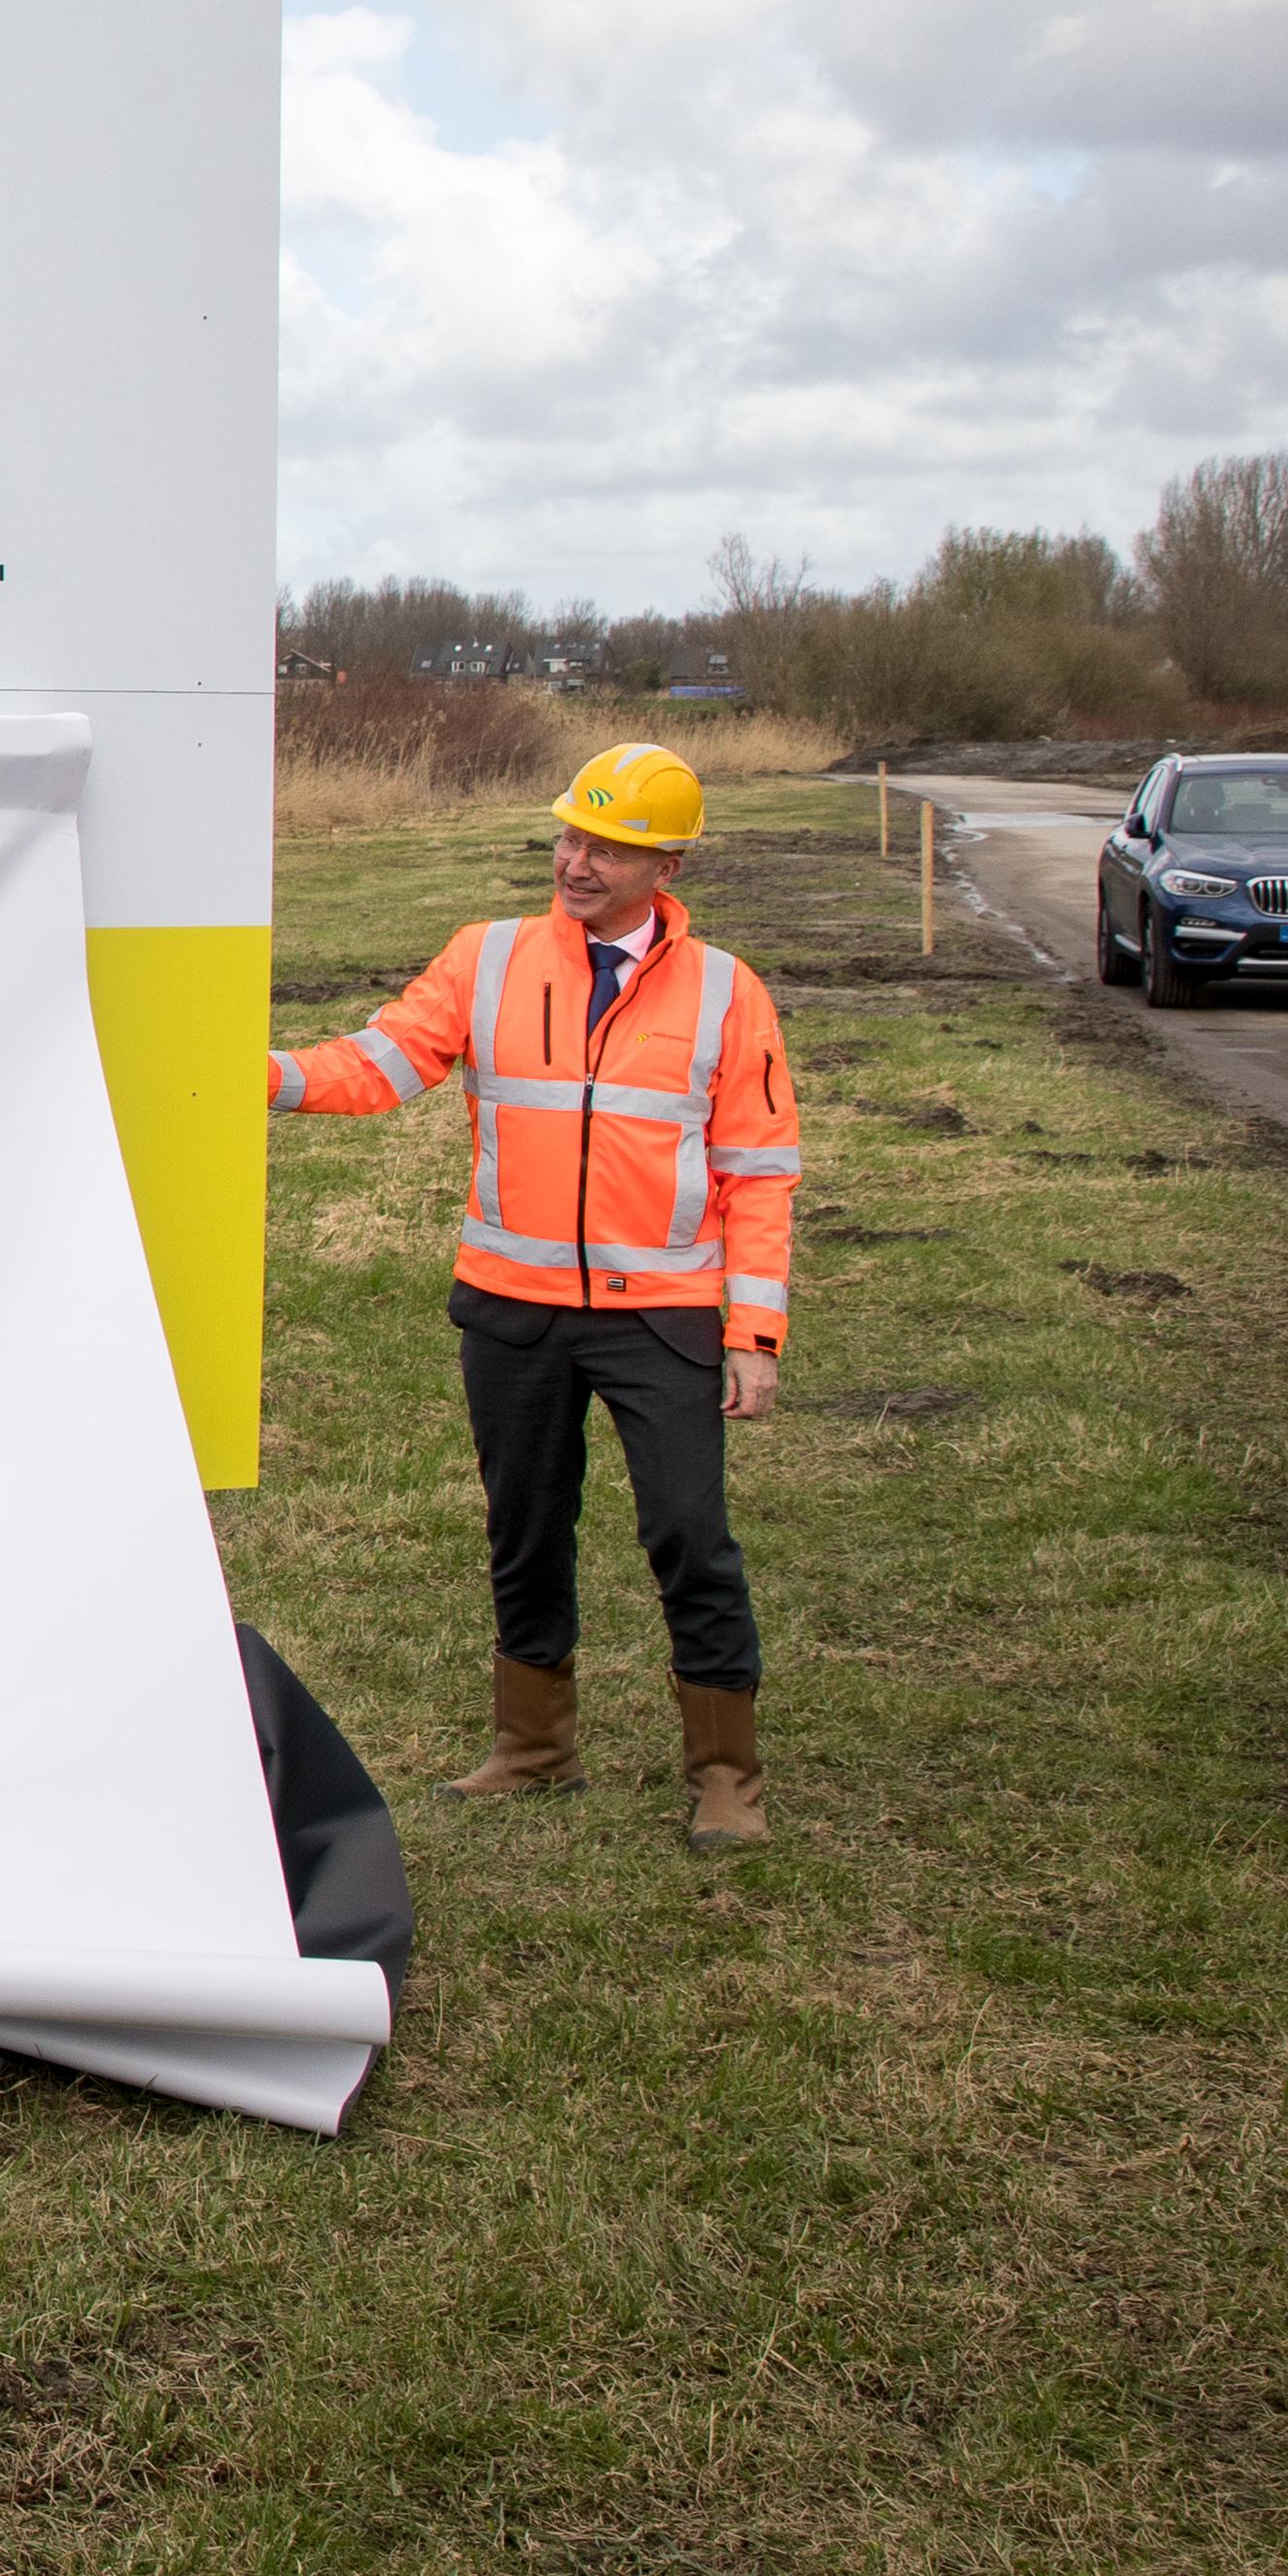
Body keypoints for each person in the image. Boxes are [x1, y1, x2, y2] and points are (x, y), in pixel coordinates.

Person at [269, 742, 798, 1847]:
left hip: (663, 1317)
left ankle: (724, 1774)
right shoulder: (489, 958)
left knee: (690, 1534)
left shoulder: (725, 992)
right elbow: (383, 1061)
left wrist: (751, 1332)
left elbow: (757, 1172)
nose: (577, 861)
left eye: (608, 846)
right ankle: (534, 1749)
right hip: (513, 1310)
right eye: (569, 836)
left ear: (668, 862)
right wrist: (256, 1075)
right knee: (524, 1527)